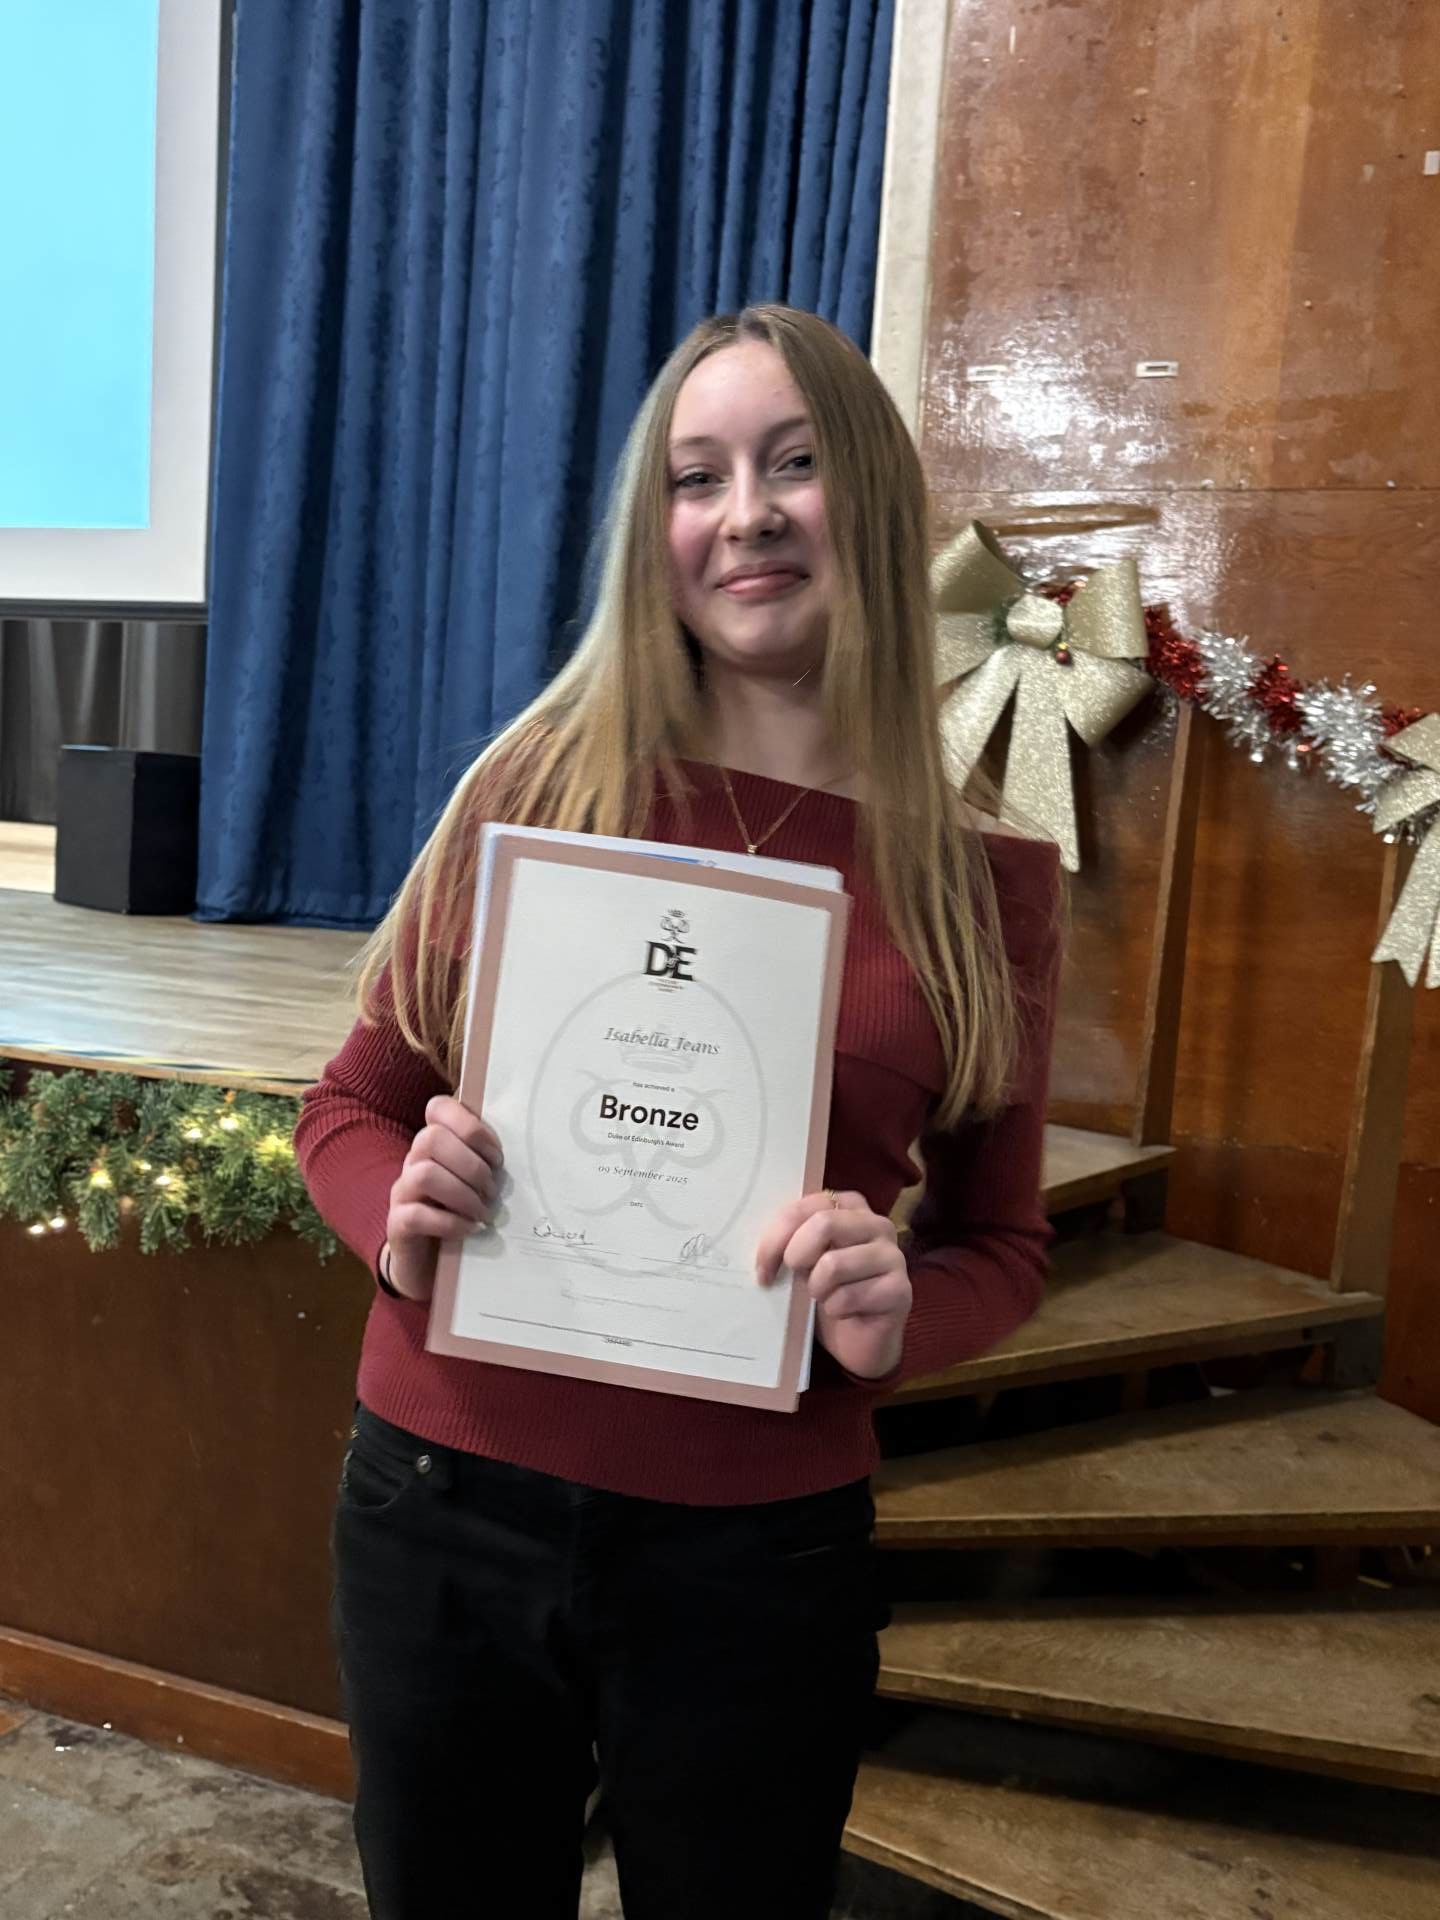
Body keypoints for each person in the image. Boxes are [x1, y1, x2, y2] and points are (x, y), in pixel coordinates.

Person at [295, 303, 1061, 1920]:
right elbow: (352, 1106)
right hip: (445, 1504)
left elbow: (1000, 1243)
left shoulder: (983, 878)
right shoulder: (536, 792)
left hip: (759, 1551)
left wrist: (892, 1317)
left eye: (794, 464)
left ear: (874, 501)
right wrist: (402, 1218)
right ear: (656, 532)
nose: (747, 513)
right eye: (697, 478)